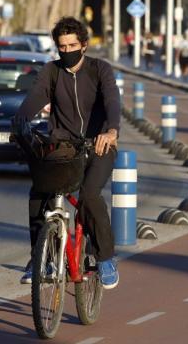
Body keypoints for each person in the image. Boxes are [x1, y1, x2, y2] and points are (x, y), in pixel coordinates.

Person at [14, 17, 121, 289]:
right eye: (62, 47)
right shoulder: (51, 71)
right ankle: (40, 260)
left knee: (88, 195)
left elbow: (111, 100)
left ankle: (105, 257)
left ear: (84, 45)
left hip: (99, 145)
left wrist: (111, 130)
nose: (67, 51)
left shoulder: (100, 70)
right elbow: (34, 99)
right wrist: (19, 122)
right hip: (64, 147)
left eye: (72, 45)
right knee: (39, 192)